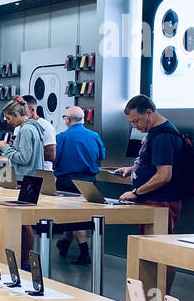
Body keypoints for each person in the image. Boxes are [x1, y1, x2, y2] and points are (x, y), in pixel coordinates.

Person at [114, 94, 187, 234]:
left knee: (156, 249)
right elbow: (155, 163)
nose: (134, 126)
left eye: (136, 121)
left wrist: (136, 192)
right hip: (153, 200)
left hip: (161, 201)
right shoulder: (155, 133)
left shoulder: (163, 136)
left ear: (149, 113)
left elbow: (164, 175)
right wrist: (133, 169)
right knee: (147, 246)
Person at [0, 99, 45, 266]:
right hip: (30, 178)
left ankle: (24, 261)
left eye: (9, 118)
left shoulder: (25, 130)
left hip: (25, 180)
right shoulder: (34, 128)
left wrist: (5, 148)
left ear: (16, 114)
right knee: (23, 222)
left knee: (23, 223)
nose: (8, 122)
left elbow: (24, 158)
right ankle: (23, 259)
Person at [54, 105, 106, 265]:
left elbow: (55, 159)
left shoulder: (61, 137)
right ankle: (65, 244)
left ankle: (84, 252)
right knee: (77, 215)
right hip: (89, 181)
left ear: (67, 119)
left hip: (67, 182)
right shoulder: (94, 135)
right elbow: (101, 155)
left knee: (72, 216)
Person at [22, 95, 57, 169]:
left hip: (41, 172)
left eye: (22, 111)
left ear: (32, 110)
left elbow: (51, 155)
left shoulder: (46, 126)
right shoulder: (19, 126)